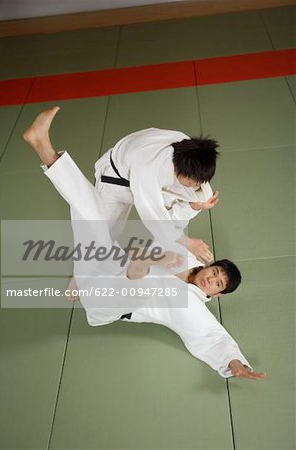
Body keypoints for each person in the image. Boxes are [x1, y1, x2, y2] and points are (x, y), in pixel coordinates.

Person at [23, 106, 266, 381]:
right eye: (215, 272)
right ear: (211, 265)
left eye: (217, 283)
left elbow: (210, 333)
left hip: (111, 301)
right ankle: (43, 147)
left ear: (217, 295)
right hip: (118, 180)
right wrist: (185, 236)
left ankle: (129, 267)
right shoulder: (150, 171)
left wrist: (233, 362)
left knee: (135, 278)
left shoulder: (191, 303)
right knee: (91, 218)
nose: (211, 278)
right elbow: (156, 218)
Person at [95, 126, 220, 264]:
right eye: (192, 181)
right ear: (180, 171)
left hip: (135, 163)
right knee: (101, 232)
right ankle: (87, 271)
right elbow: (153, 217)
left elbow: (195, 188)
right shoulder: (149, 171)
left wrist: (198, 204)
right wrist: (187, 243)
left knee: (119, 227)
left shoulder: (189, 150)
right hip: (113, 181)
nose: (195, 185)